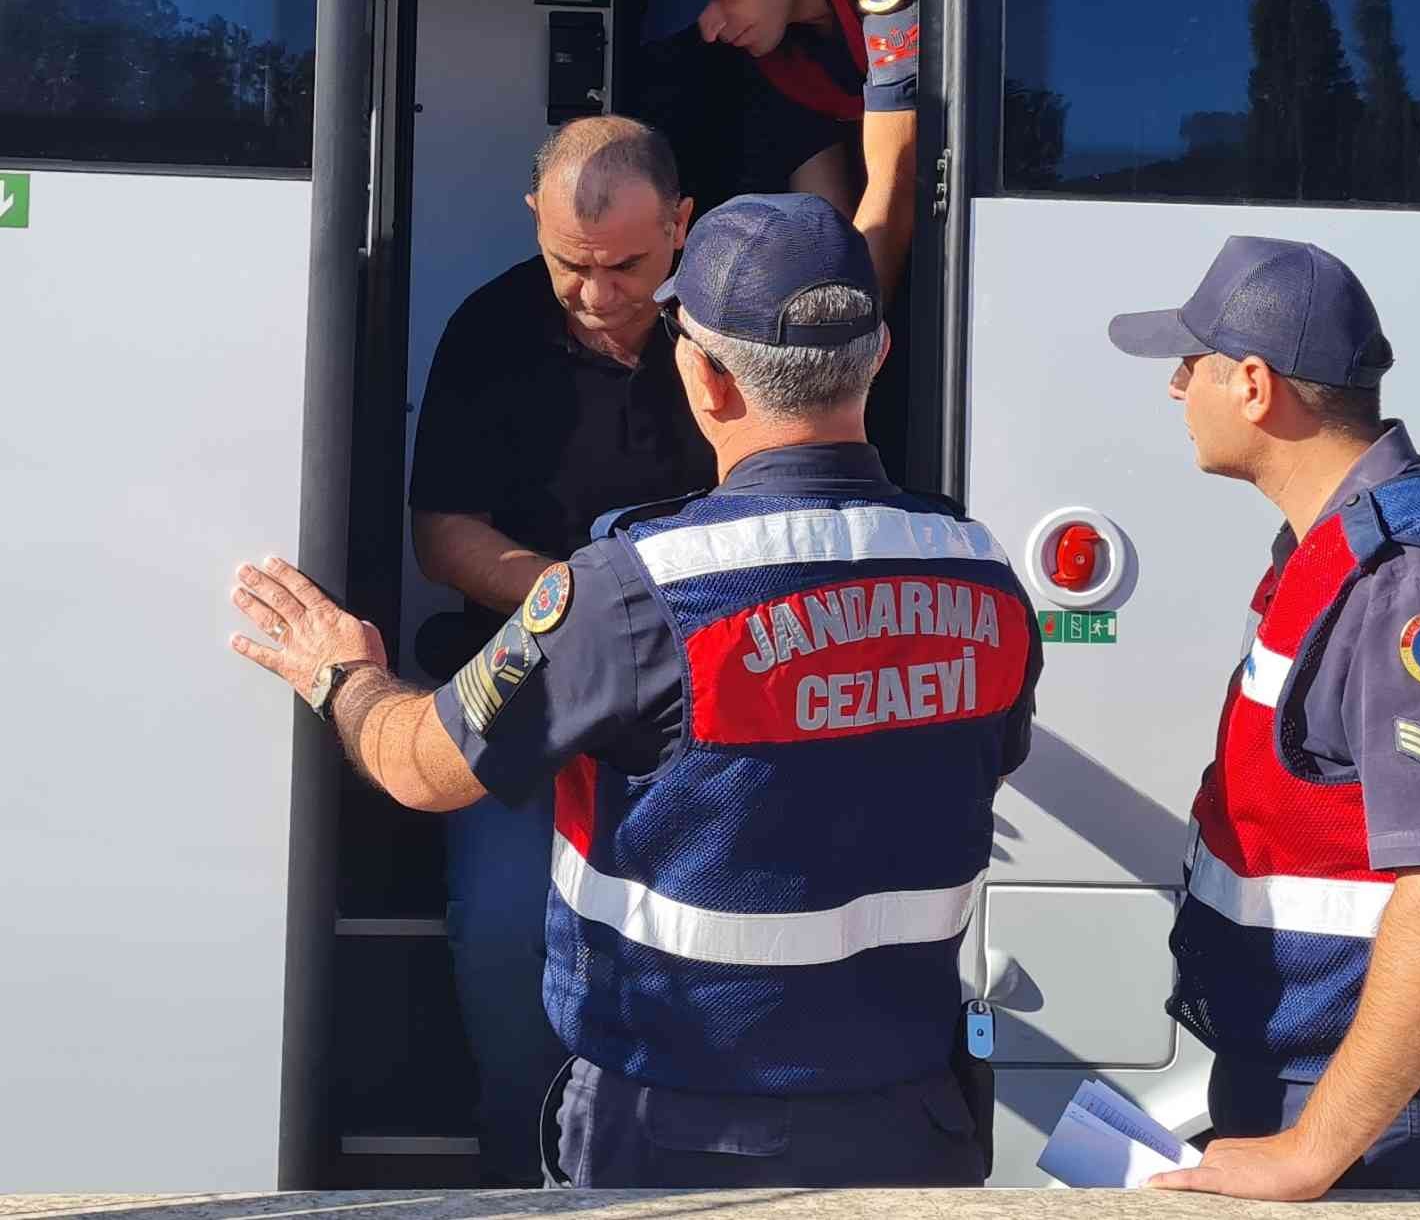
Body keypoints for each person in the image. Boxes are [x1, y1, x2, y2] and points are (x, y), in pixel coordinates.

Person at [230, 192, 1041, 1188]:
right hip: (914, 1127)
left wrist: (340, 672)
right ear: (874, 358)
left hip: (671, 1134)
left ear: (701, 374)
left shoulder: (631, 591)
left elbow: (420, 768)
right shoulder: (982, 575)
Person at [1107, 236, 1420, 1198]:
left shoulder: (1411, 585)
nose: (1174, 389)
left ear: (1251, 385)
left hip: (1387, 1133)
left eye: (1188, 365)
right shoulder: (1341, 544)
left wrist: (1313, 1149)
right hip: (1349, 1098)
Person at [407, 114, 716, 1183]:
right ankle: (516, 1176)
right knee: (501, 942)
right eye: (567, 266)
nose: (593, 295)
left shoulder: (731, 330)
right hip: (528, 683)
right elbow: (442, 538)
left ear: (681, 227)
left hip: (704, 700)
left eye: (625, 266)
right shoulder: (490, 329)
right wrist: (593, 606)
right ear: (532, 221)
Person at [636, 0, 918, 299]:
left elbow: (897, 181)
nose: (709, 30)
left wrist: (842, 343)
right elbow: (825, 221)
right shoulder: (772, 41)